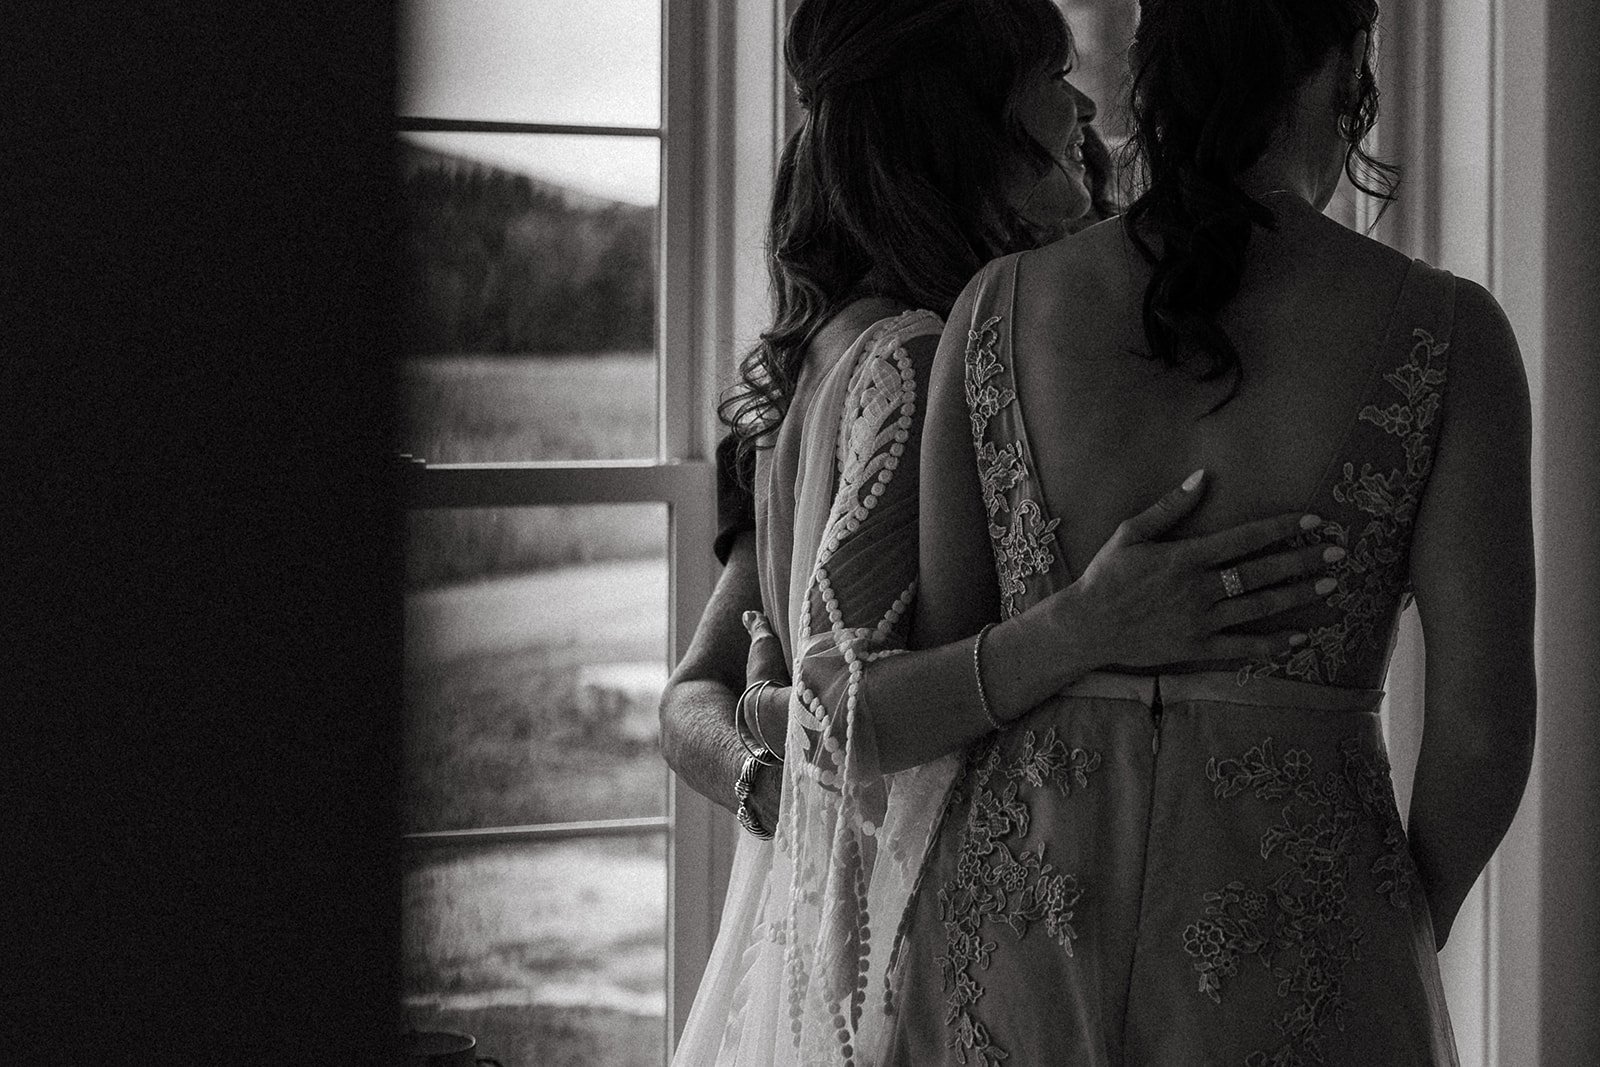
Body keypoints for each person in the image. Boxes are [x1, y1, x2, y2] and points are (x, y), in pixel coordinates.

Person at [659, 1, 1348, 1062]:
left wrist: (775, 762)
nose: (1083, 108)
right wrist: (1085, 624)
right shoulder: (925, 356)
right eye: (1049, 79)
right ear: (970, 132)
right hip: (900, 941)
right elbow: (846, 711)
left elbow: (701, 700)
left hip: (810, 936)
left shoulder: (818, 353)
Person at [869, 0, 1536, 1062]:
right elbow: (1483, 731)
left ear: (1149, 71)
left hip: (1017, 948)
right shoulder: (1447, 334)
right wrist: (1395, 925)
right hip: (1299, 942)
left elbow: (947, 678)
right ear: (1346, 63)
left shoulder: (994, 309)